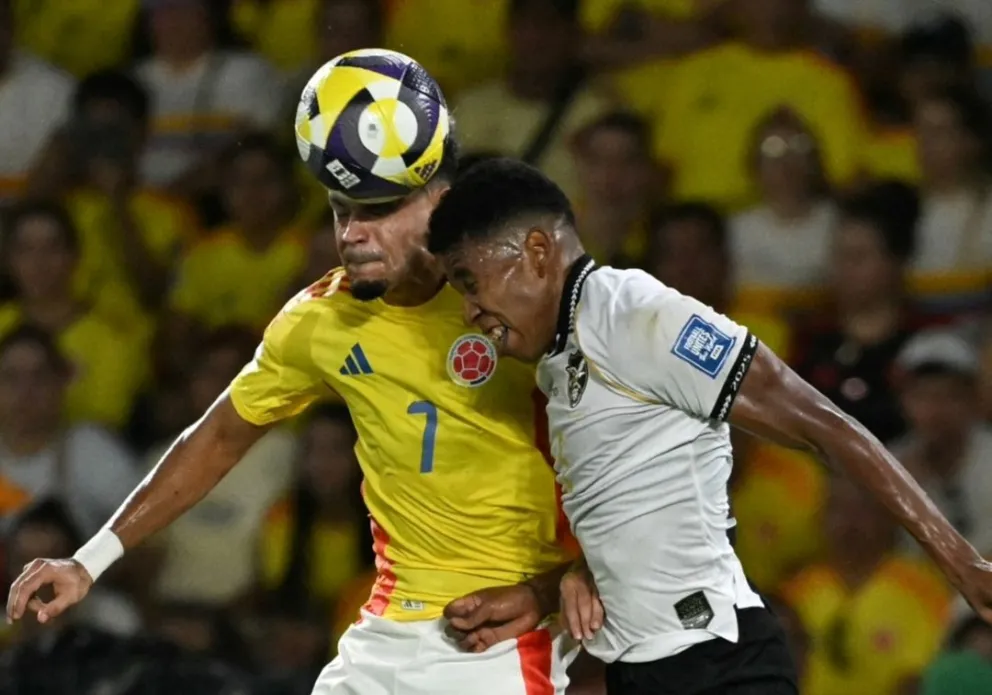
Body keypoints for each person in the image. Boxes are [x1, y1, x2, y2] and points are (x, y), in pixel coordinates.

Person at [6, 59, 580, 695]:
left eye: (377, 209)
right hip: (384, 633)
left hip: (504, 639)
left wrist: (563, 582)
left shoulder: (525, 304)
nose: (353, 234)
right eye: (340, 210)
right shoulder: (320, 321)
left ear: (438, 200)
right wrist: (89, 562)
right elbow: (220, 435)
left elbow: (647, 435)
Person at [427, 158, 992, 695]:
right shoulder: (564, 357)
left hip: (716, 665)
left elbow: (826, 425)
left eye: (470, 281)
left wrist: (960, 560)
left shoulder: (640, 316)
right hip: (644, 671)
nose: (471, 311)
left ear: (536, 251)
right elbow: (650, 510)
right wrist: (556, 585)